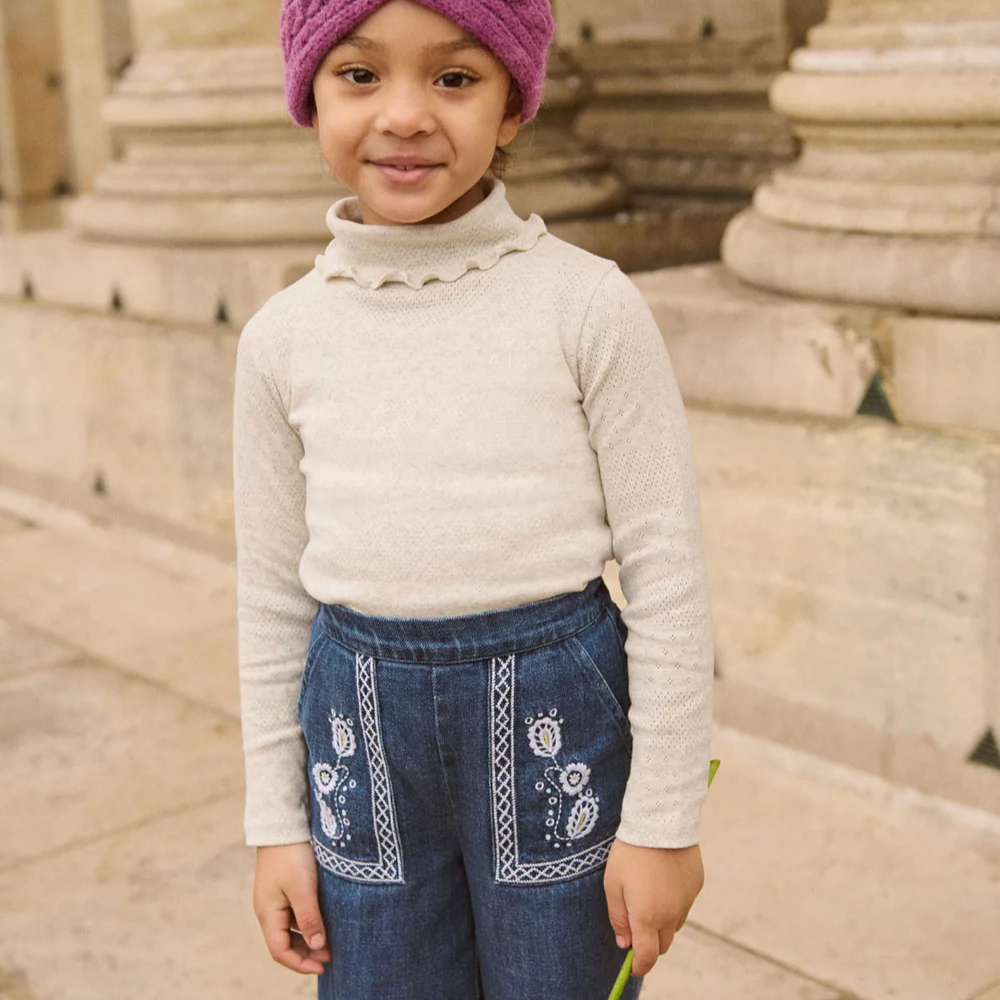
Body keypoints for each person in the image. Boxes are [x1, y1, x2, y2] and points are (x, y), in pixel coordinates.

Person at [231, 1, 715, 996]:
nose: (405, 115)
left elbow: (666, 570)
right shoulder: (282, 338)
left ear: (509, 107)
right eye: (358, 76)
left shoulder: (588, 305)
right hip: (357, 729)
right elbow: (272, 598)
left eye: (454, 78)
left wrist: (663, 823)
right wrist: (274, 824)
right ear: (308, 96)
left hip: (554, 716)